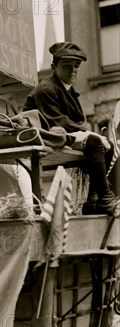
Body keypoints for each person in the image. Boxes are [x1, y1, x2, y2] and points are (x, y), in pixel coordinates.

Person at [23, 42, 117, 215]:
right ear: (54, 66)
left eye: (76, 66)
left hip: (59, 134)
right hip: (42, 135)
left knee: (108, 145)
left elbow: (75, 120)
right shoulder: (46, 88)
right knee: (96, 141)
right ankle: (105, 198)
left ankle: (93, 201)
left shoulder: (67, 89)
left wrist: (86, 133)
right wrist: (88, 133)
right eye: (67, 66)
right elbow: (57, 121)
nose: (73, 70)